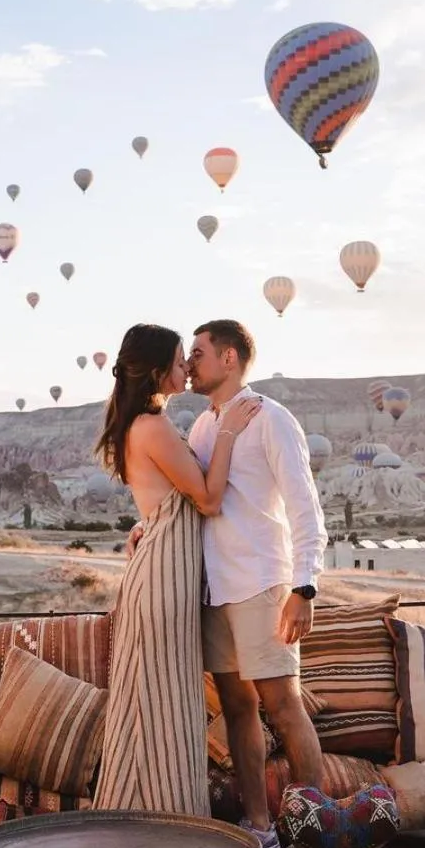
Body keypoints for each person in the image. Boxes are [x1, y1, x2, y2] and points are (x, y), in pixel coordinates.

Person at [93, 323, 261, 817]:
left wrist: (144, 525)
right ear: (157, 369)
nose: (186, 367)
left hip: (167, 569)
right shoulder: (152, 426)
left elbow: (162, 500)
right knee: (162, 705)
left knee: (163, 701)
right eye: (178, 359)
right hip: (164, 579)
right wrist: (228, 431)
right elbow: (207, 498)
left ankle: (159, 817)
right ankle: (163, 821)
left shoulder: (145, 424)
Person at [186, 319, 328, 848]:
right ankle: (259, 826)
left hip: (263, 580)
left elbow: (303, 504)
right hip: (215, 588)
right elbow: (199, 499)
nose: (190, 361)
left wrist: (306, 586)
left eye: (198, 352)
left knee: (282, 704)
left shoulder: (271, 418)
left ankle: (312, 825)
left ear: (229, 358)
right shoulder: (203, 427)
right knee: (238, 708)